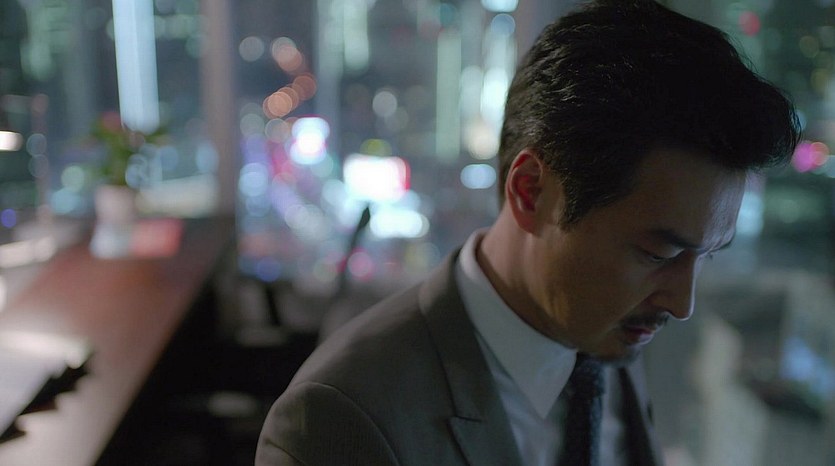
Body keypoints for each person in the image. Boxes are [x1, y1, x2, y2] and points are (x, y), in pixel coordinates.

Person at [256, 1, 801, 465]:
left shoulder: (607, 333)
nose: (683, 303)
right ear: (531, 192)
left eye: (706, 256)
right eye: (657, 253)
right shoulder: (340, 419)